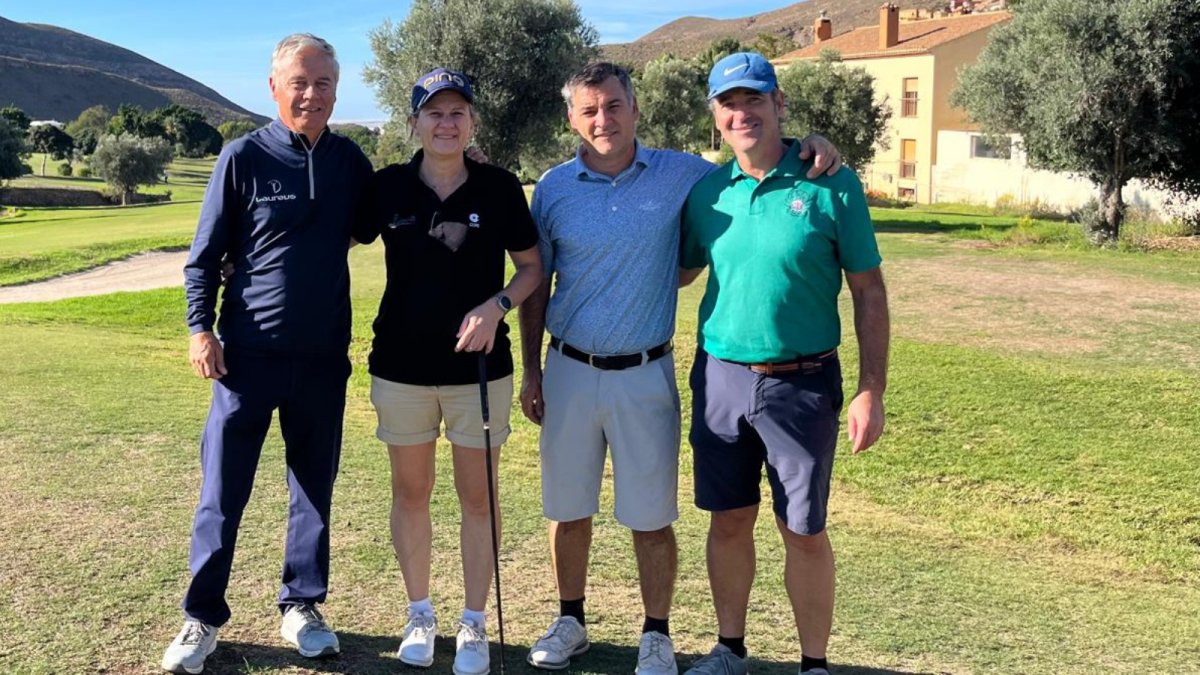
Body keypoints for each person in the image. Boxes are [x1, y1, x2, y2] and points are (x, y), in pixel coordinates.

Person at [518, 62, 842, 675]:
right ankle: (570, 619)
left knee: (651, 514)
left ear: (635, 109)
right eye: (588, 110)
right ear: (571, 118)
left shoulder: (684, 176)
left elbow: (756, 157)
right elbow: (538, 284)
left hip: (645, 369)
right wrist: (531, 369)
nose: (602, 119)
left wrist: (811, 147)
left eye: (614, 106)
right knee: (568, 507)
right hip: (567, 365)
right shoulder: (554, 187)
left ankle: (657, 633)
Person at [162, 33, 373, 675]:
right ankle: (201, 618)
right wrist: (202, 331)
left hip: (321, 360)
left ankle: (302, 606)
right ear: (275, 87)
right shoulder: (242, 156)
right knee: (222, 492)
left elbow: (386, 214)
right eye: (300, 82)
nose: (312, 94)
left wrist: (466, 159)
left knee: (314, 490)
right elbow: (202, 259)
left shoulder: (347, 160)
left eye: (324, 83)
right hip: (245, 360)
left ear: (338, 89)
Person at [678, 52, 890, 675]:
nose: (741, 113)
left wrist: (871, 389)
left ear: (779, 105)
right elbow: (684, 268)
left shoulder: (831, 182)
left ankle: (813, 665)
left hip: (803, 383)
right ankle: (729, 650)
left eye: (753, 100)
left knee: (802, 529)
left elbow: (869, 290)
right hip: (720, 377)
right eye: (728, 103)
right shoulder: (708, 191)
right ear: (715, 115)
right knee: (728, 518)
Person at [351, 67, 542, 675]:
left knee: (478, 498)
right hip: (401, 368)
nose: (446, 122)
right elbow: (329, 235)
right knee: (410, 493)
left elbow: (533, 267)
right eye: (434, 112)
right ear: (414, 123)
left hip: (480, 373)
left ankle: (474, 624)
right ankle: (419, 614)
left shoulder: (499, 187)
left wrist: (498, 304)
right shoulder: (386, 188)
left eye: (458, 112)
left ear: (472, 122)